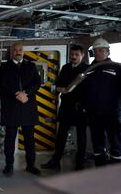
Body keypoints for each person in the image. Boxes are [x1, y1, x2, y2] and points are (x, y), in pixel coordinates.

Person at [42, 44, 89, 171]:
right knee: (61, 135)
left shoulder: (87, 69)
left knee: (81, 137)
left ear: (82, 55)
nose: (73, 57)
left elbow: (90, 90)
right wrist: (61, 89)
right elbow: (58, 85)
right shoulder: (66, 68)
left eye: (76, 55)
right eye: (72, 55)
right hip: (66, 107)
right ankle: (55, 161)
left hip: (80, 108)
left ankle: (80, 164)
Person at [0, 42, 41, 176]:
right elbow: (1, 84)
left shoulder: (31, 66)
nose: (18, 52)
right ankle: (9, 166)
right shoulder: (4, 67)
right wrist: (16, 94)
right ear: (11, 52)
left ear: (23, 51)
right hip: (11, 107)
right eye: (15, 50)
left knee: (29, 139)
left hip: (27, 107)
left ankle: (31, 165)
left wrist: (26, 93)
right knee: (10, 139)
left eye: (20, 50)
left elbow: (37, 83)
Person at [81, 38, 121, 166]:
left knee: (115, 143)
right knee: (97, 144)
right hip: (94, 114)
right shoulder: (89, 70)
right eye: (95, 51)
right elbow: (83, 91)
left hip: (112, 114)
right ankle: (100, 172)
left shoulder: (116, 68)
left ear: (108, 52)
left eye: (101, 50)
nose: (98, 53)